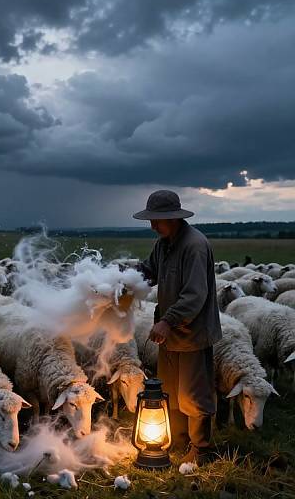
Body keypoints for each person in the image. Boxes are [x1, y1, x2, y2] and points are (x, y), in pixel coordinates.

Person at [133, 190, 222, 465]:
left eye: (156, 220)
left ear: (172, 218)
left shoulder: (194, 245)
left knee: (194, 393)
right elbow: (150, 270)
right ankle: (179, 438)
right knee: (170, 388)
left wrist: (167, 320)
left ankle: (202, 448)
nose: (152, 226)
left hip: (192, 332)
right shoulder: (164, 243)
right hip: (171, 335)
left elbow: (195, 294)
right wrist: (124, 280)